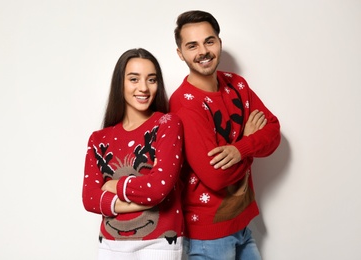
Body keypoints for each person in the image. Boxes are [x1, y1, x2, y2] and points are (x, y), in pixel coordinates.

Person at [169, 10, 281, 260]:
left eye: (209, 41)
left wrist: (240, 149)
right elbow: (216, 176)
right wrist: (248, 143)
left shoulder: (237, 84)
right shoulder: (185, 104)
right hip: (208, 234)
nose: (203, 51)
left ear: (219, 42)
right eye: (192, 45)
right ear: (180, 53)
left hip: (241, 222)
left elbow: (273, 131)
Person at [82, 48, 185, 260]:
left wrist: (114, 186)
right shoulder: (98, 139)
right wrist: (143, 198)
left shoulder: (167, 124)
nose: (144, 88)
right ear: (120, 83)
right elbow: (90, 198)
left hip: (159, 241)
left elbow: (159, 188)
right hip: (110, 244)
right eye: (134, 79)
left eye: (151, 79)